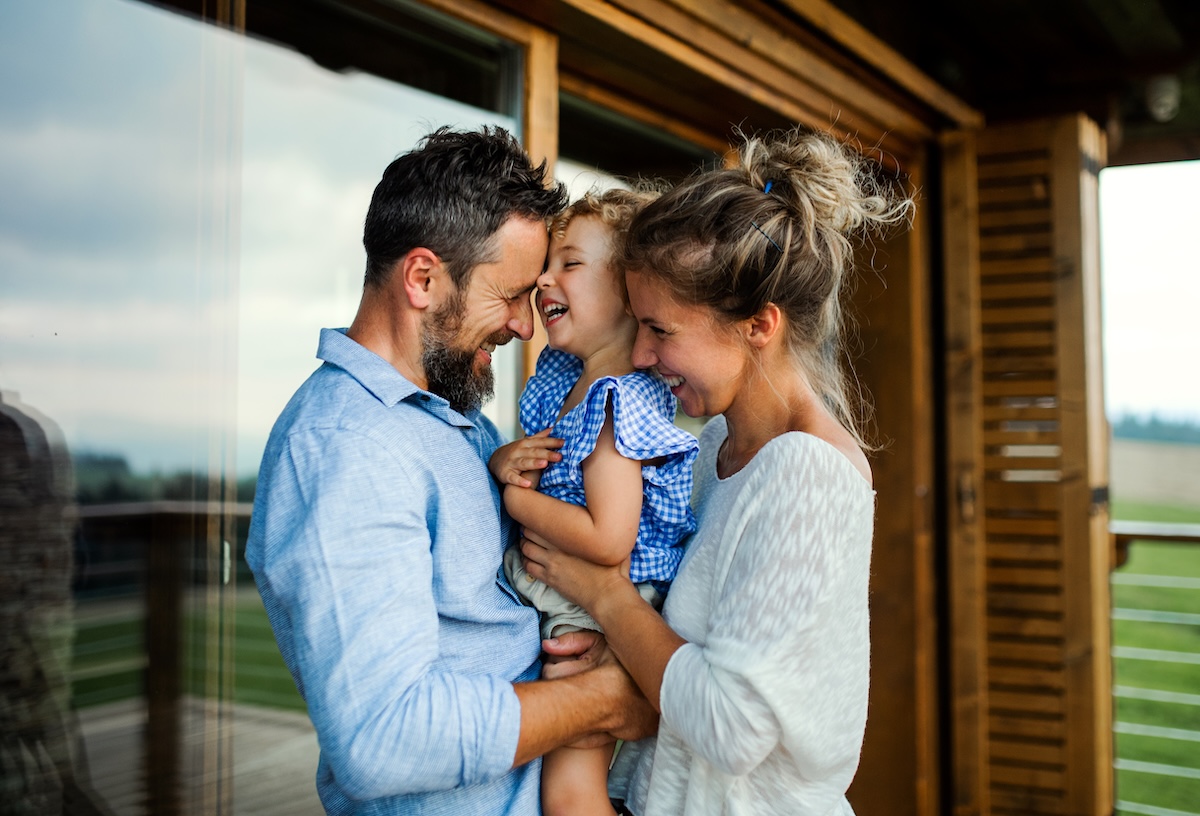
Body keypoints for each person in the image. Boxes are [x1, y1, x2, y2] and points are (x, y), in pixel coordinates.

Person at [245, 126, 657, 816]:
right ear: (423, 279)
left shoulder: (455, 424)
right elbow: (383, 736)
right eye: (510, 295)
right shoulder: (347, 448)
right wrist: (606, 699)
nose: (526, 327)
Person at [519, 127, 915, 815]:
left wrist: (605, 597)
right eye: (637, 326)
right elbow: (675, 665)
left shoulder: (809, 476)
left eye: (661, 330)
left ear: (758, 325)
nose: (640, 356)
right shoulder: (713, 450)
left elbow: (731, 729)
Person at [489, 190, 699, 816]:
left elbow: (609, 537)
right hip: (567, 595)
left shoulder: (617, 401)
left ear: (630, 295)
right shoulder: (564, 380)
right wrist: (508, 461)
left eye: (569, 264)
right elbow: (541, 461)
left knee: (570, 791)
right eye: (546, 264)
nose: (543, 279)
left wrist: (514, 501)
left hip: (594, 612)